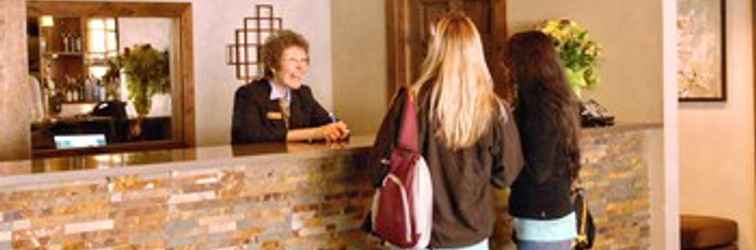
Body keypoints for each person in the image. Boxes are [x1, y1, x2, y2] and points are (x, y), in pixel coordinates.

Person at [370, 12, 524, 249]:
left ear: (435, 50)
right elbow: (506, 175)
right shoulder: (496, 110)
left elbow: (377, 169)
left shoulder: (411, 102)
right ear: (475, 51)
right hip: (471, 235)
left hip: (417, 232)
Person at [505, 31, 583, 250]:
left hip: (542, 221)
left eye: (510, 62)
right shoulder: (562, 100)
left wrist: (505, 167)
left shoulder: (537, 108)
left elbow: (538, 169)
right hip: (556, 214)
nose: (507, 70)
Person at [231, 30, 349, 144]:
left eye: (304, 60)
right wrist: (314, 133)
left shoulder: (303, 93)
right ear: (272, 65)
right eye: (292, 60)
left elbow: (327, 122)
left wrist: (338, 129)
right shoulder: (248, 94)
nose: (301, 67)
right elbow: (250, 135)